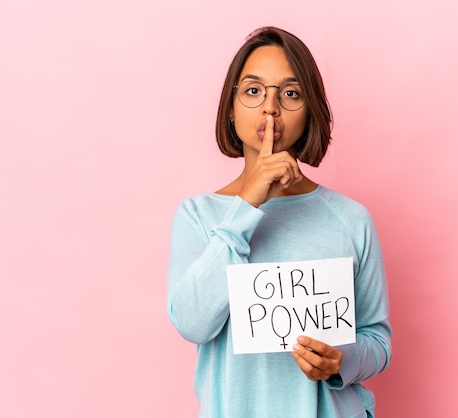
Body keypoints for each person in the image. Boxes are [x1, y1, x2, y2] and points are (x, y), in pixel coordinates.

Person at [167, 26, 392, 418]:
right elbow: (192, 323)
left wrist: (342, 360)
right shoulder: (198, 216)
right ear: (232, 107)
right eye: (254, 91)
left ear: (309, 113)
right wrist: (249, 203)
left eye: (290, 94)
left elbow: (378, 341)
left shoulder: (351, 220)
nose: (270, 108)